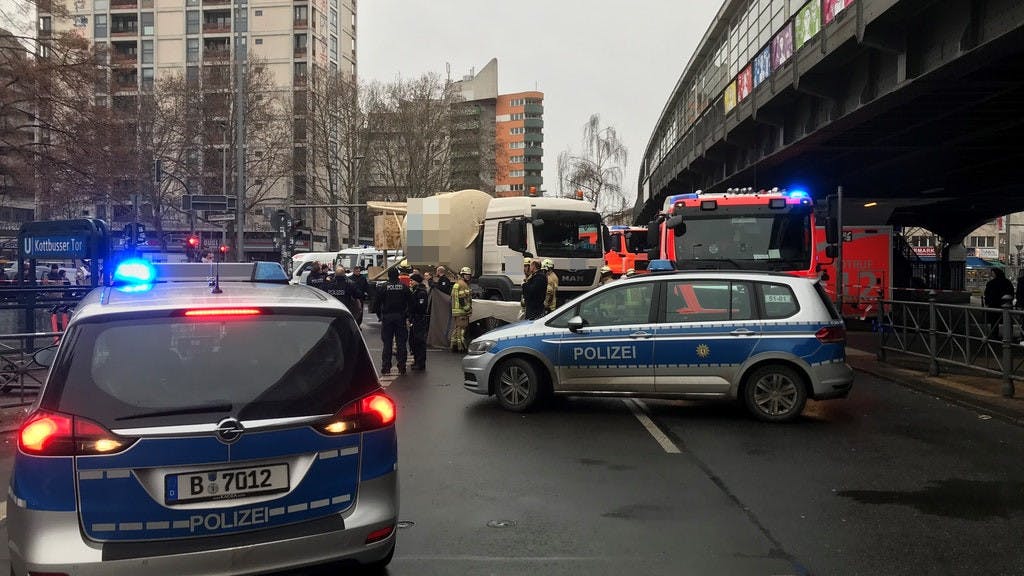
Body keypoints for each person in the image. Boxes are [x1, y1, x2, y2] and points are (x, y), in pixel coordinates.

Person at [377, 267, 411, 375]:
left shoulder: (383, 287)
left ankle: (386, 367)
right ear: (398, 275)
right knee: (401, 343)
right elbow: (411, 303)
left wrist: (381, 316)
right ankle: (402, 367)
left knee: (387, 343)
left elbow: (376, 304)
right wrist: (407, 315)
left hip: (387, 318)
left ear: (388, 276)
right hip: (400, 317)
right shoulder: (404, 287)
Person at [984, 268, 1014, 339]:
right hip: (1005, 304)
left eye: (992, 273)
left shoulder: (991, 283)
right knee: (1007, 321)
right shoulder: (1007, 282)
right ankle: (1008, 335)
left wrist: (987, 302)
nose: (992, 274)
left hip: (994, 304)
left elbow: (987, 294)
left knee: (994, 321)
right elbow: (1011, 292)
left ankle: (994, 335)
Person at [408, 273, 430, 370]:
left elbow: (420, 307)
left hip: (419, 319)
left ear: (416, 281)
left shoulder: (421, 292)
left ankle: (420, 363)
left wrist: (412, 311)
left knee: (419, 341)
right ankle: (417, 361)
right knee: (414, 341)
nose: (410, 282)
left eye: (412, 280)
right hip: (415, 318)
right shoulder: (416, 291)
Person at [450, 266, 473, 353]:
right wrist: (468, 309)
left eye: (469, 275)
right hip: (461, 311)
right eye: (466, 275)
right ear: (462, 275)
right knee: (461, 330)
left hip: (456, 311)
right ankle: (461, 347)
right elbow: (462, 299)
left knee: (457, 329)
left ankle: (454, 346)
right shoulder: (463, 284)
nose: (468, 277)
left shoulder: (457, 283)